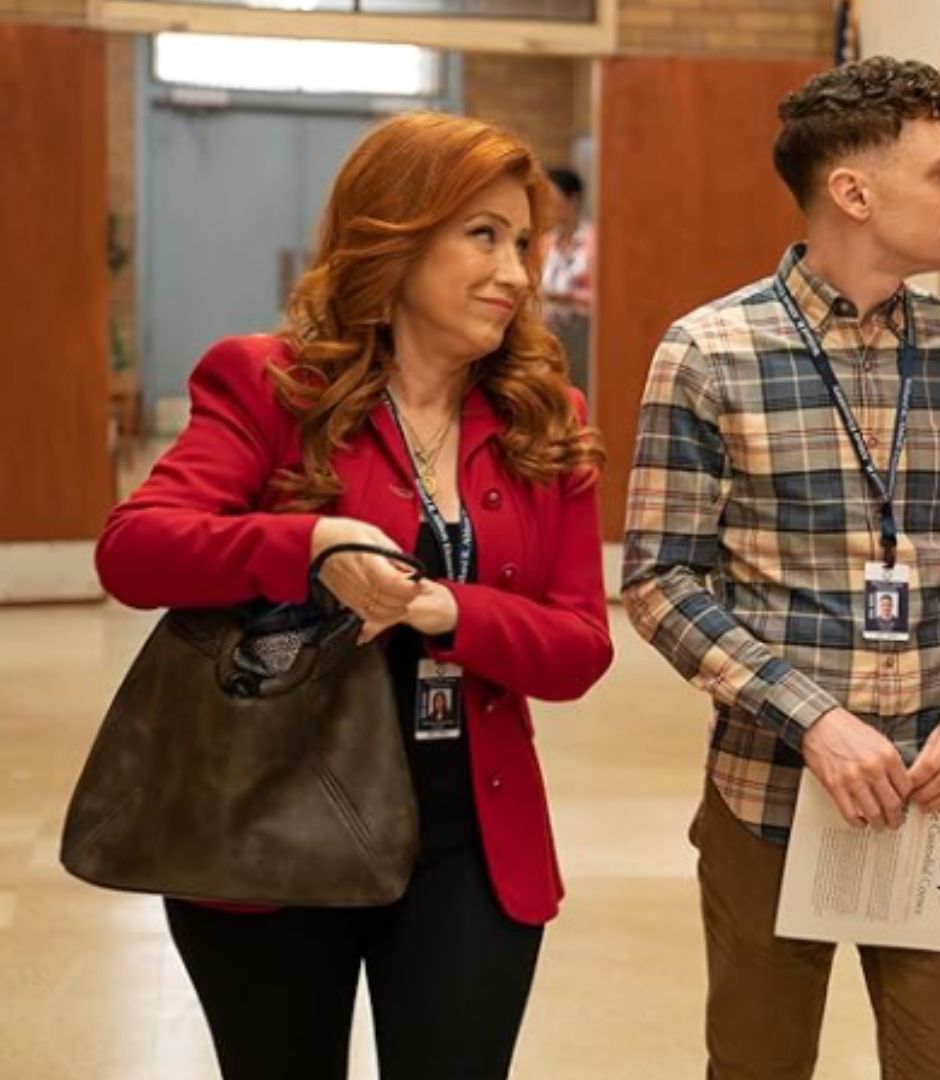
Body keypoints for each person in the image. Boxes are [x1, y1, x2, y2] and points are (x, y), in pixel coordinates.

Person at [94, 112, 613, 1080]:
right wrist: (312, 544)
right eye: (483, 236)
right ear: (397, 233)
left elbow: (581, 644)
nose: (516, 273)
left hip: (470, 839)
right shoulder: (267, 384)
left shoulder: (548, 419)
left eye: (525, 243)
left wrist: (448, 611)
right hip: (276, 825)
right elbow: (134, 551)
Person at [622, 57, 940, 1080]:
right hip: (768, 795)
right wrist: (812, 716)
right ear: (854, 193)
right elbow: (660, 580)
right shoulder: (710, 352)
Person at [541, 166, 594, 392]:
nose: (549, 207)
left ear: (572, 199)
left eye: (554, 199)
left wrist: (568, 296)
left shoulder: (593, 241)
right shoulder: (545, 242)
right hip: (549, 331)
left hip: (584, 331)